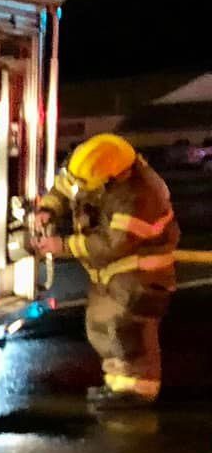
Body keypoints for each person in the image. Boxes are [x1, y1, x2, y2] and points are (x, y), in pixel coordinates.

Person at [31, 134, 179, 409]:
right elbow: (66, 188)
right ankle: (118, 386)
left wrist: (61, 245)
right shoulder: (93, 167)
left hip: (139, 274)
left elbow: (113, 243)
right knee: (101, 326)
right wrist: (48, 209)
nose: (80, 188)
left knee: (125, 330)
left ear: (113, 177)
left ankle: (137, 392)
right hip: (114, 273)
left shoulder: (139, 195)